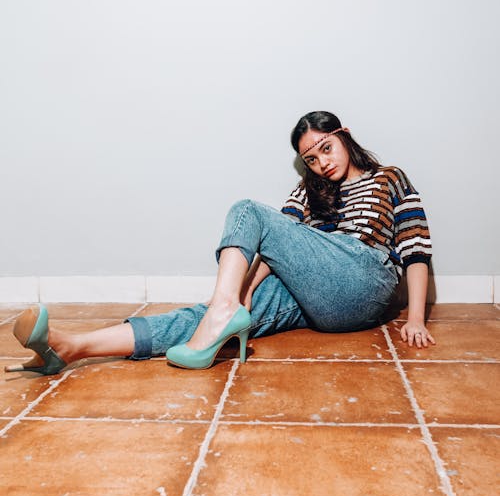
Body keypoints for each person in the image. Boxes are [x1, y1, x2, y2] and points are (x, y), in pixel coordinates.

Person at [5, 110, 434, 376]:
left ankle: (222, 310)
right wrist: (242, 297)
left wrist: (415, 318)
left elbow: (415, 248)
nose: (323, 163)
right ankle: (73, 347)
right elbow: (276, 249)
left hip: (364, 278)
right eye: (311, 159)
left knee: (248, 211)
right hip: (320, 299)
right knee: (208, 315)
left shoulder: (389, 177)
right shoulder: (307, 192)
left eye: (326, 148)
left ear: (344, 134)